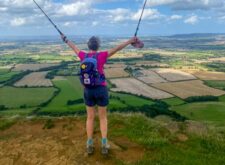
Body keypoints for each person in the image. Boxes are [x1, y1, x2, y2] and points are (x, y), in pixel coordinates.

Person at [61, 34, 139, 155]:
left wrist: (65, 39)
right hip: (101, 89)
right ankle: (104, 144)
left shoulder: (83, 56)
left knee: (90, 117)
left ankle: (90, 144)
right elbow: (118, 48)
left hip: (88, 90)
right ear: (98, 46)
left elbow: (73, 46)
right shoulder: (102, 55)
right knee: (103, 117)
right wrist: (130, 41)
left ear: (88, 46)